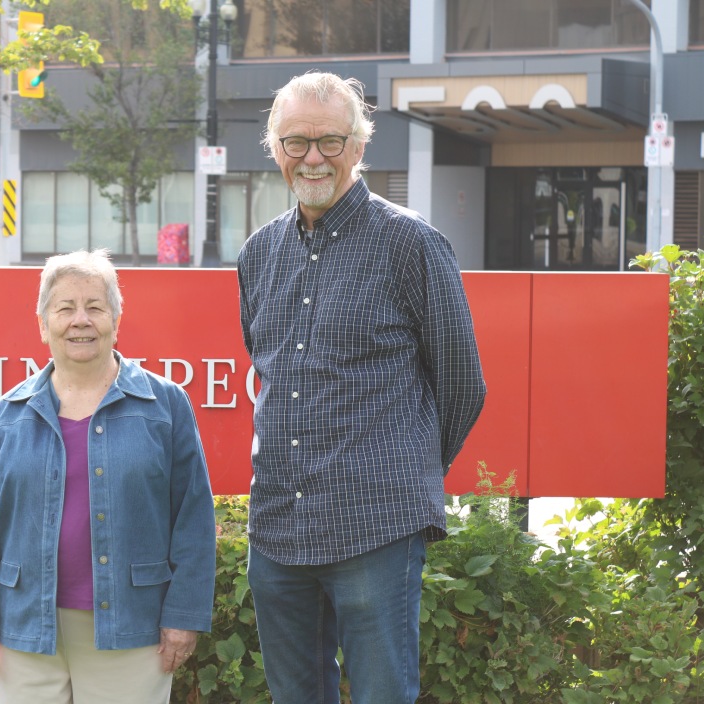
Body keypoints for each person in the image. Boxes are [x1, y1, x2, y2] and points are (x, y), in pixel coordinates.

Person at [237, 72, 488, 704]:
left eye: (330, 140)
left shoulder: (412, 244)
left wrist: (400, 472)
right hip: (278, 530)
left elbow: (462, 384)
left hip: (377, 528)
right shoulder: (258, 255)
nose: (313, 156)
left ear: (359, 145)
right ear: (275, 147)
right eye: (296, 142)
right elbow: (268, 374)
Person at [0, 249, 217, 703]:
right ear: (43, 323)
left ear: (115, 318)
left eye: (95, 307)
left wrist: (184, 614)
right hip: (26, 630)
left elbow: (193, 517)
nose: (81, 320)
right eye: (65, 308)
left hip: (134, 628)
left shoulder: (165, 405)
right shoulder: (6, 415)